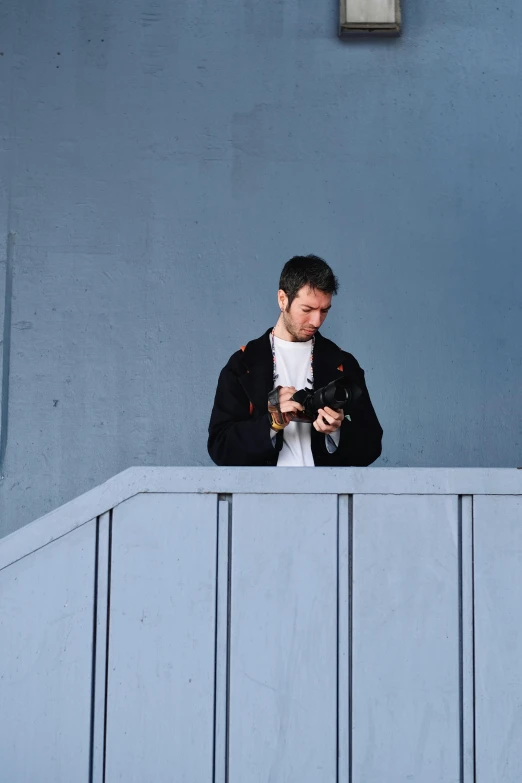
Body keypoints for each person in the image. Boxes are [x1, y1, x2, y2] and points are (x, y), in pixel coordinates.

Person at [208, 255, 383, 467]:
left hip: (326, 495)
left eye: (324, 310)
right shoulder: (242, 364)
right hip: (263, 496)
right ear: (283, 299)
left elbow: (372, 445)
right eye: (307, 310)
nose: (316, 321)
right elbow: (220, 447)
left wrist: (337, 432)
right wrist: (272, 423)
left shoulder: (344, 364)